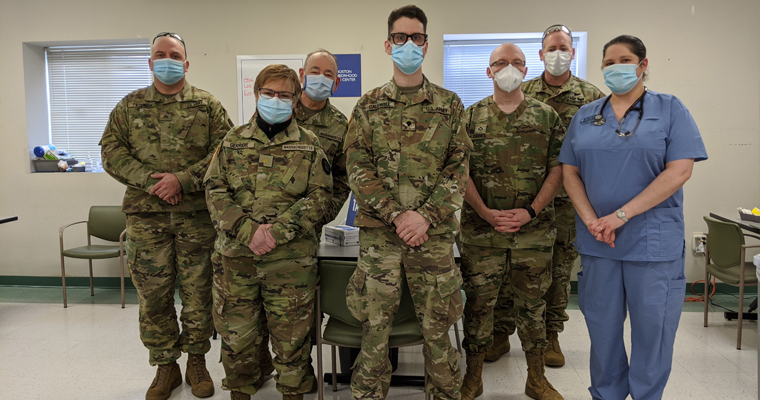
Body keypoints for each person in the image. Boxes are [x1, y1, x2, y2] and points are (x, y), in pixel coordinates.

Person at [558, 35, 707, 400]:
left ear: (642, 65)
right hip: (599, 243)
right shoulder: (586, 115)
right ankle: (606, 394)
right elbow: (569, 172)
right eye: (608, 63)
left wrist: (621, 215)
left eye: (624, 60)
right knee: (603, 332)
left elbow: (679, 171)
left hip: (651, 245)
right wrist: (595, 220)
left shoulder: (670, 109)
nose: (615, 67)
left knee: (652, 334)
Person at [343, 5, 472, 400]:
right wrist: (399, 216)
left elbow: (458, 170)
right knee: (374, 334)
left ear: (426, 44)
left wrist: (425, 217)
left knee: (437, 333)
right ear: (388, 44)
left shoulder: (449, 105)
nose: (409, 44)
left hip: (431, 240)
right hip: (381, 239)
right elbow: (358, 169)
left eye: (417, 37)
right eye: (401, 37)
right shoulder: (367, 105)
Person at [100, 31, 233, 400]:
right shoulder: (129, 107)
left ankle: (196, 361)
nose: (167, 60)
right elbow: (111, 152)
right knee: (153, 296)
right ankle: (165, 366)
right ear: (150, 62)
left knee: (198, 293)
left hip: (196, 218)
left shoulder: (207, 106)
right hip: (146, 218)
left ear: (186, 63)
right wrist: (151, 181)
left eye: (174, 54)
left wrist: (183, 180)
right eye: (160, 54)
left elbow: (225, 152)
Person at [204, 64, 332, 400]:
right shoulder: (232, 141)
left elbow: (320, 196)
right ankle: (241, 392)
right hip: (236, 261)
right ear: (256, 93)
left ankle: (292, 393)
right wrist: (249, 231)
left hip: (290, 263)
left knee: (293, 342)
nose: (276, 99)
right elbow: (214, 190)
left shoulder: (309, 144)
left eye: (284, 95)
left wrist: (277, 232)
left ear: (294, 100)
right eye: (269, 93)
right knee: (237, 339)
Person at [459, 43, 565, 400]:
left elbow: (559, 169)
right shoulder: (470, 118)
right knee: (478, 306)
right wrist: (486, 213)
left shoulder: (547, 117)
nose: (509, 69)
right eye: (501, 63)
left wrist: (531, 211)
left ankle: (536, 379)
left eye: (517, 63)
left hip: (532, 233)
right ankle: (472, 378)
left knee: (534, 306)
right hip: (480, 233)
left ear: (526, 69)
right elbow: (459, 172)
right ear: (488, 72)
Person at [517, 24, 606, 367]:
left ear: (572, 52)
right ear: (541, 54)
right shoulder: (523, 92)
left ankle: (551, 335)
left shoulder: (591, 97)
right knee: (519, 269)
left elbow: (604, 147)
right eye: (552, 48)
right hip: (528, 200)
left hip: (569, 203)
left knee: (558, 270)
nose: (558, 54)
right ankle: (501, 332)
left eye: (564, 48)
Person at [295, 49, 350, 237]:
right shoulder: (278, 112)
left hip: (308, 230)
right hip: (266, 220)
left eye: (328, 75)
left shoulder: (341, 126)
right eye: (314, 71)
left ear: (336, 83)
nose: (321, 78)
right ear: (302, 75)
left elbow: (342, 181)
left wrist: (320, 217)